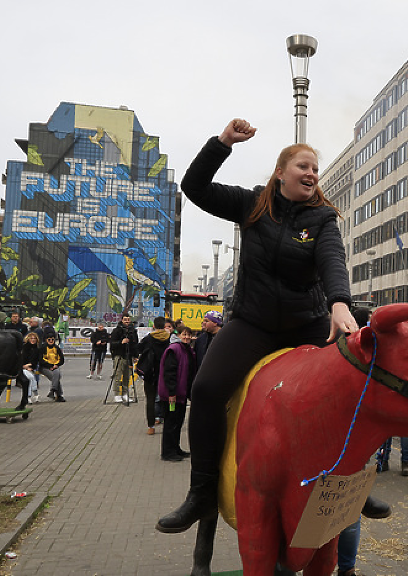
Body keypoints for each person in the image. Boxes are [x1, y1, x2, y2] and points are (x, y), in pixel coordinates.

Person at [156, 118, 365, 535]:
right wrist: (222, 143)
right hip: (253, 324)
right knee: (206, 389)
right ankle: (201, 492)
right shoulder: (252, 205)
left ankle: (346, 479)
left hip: (307, 324)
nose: (311, 174)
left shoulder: (321, 219)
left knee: (348, 388)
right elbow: (194, 188)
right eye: (303, 166)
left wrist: (340, 303)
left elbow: (331, 262)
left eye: (315, 170)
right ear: (280, 171)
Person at [159, 326, 197, 461]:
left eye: (189, 335)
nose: (186, 337)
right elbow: (170, 373)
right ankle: (167, 452)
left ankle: (176, 448)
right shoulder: (174, 350)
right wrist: (171, 393)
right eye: (184, 334)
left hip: (181, 394)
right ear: (178, 335)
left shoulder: (188, 350)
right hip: (172, 395)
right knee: (170, 422)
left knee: (178, 422)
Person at [138, 316, 172, 435]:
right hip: (166, 372)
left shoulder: (148, 338)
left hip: (150, 373)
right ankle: (168, 422)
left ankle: (151, 426)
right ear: (164, 325)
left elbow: (139, 349)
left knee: (150, 400)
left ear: (154, 326)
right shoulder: (170, 338)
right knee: (168, 399)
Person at [110, 314, 138, 402]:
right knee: (117, 375)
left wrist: (135, 355)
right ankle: (117, 394)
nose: (127, 321)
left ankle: (125, 394)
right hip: (119, 355)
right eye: (125, 319)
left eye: (128, 319)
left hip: (129, 356)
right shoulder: (116, 330)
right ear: (122, 320)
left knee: (127, 376)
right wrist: (121, 342)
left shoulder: (133, 331)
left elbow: (135, 344)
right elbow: (112, 344)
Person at [39, 333, 66, 402]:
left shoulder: (57, 348)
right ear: (46, 340)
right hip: (44, 367)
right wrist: (50, 366)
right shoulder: (42, 348)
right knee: (56, 377)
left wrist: (56, 365)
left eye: (52, 339)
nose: (51, 341)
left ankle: (53, 390)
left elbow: (61, 359)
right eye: (49, 339)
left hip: (55, 366)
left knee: (56, 374)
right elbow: (40, 360)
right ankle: (59, 395)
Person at [21, 332, 41, 403]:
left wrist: (30, 366)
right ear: (28, 339)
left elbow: (36, 361)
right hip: (21, 368)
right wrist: (25, 366)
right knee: (30, 378)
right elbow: (20, 359)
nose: (33, 340)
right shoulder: (24, 348)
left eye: (34, 338)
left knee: (30, 378)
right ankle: (34, 394)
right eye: (31, 338)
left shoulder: (37, 349)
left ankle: (29, 396)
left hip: (32, 368)